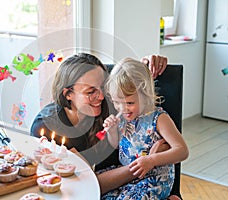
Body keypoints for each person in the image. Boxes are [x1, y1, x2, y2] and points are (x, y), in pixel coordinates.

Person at [30, 53, 173, 195]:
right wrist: (143, 164)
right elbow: (86, 186)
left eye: (103, 87)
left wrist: (148, 63)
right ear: (68, 94)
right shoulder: (46, 128)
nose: (102, 97)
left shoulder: (114, 103)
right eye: (91, 92)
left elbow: (133, 80)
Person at [101, 58, 189, 199]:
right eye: (117, 102)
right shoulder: (123, 117)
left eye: (130, 102)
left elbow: (182, 151)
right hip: (129, 177)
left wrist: (152, 160)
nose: (123, 108)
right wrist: (112, 131)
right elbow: (116, 146)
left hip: (154, 179)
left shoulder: (159, 118)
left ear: (146, 94)